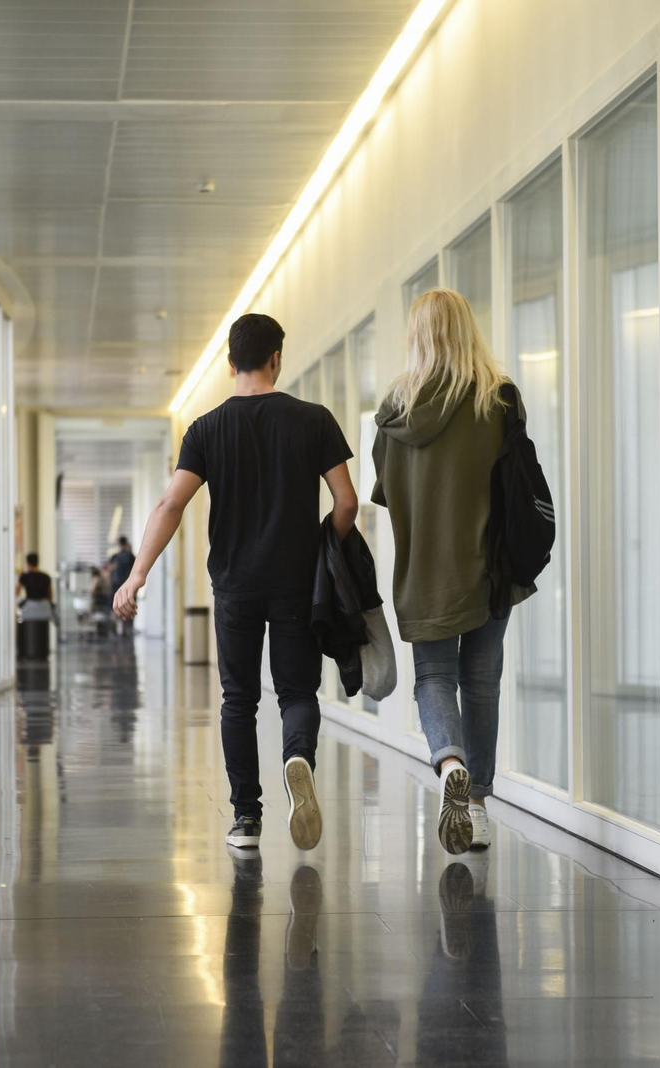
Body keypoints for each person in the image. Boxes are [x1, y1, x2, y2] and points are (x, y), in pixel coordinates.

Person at [114, 312, 358, 851]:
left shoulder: (205, 429)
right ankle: (298, 755)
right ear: (276, 359)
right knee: (297, 690)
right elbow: (346, 503)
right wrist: (325, 546)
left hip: (235, 586)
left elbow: (170, 504)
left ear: (229, 364)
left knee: (238, 699)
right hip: (297, 584)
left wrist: (136, 575)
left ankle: (246, 818)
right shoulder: (314, 420)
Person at [371, 288, 535, 855]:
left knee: (435, 679)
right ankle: (479, 807)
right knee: (481, 682)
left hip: (423, 572)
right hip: (490, 567)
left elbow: (386, 493)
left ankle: (450, 766)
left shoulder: (394, 411)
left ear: (415, 335)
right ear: (469, 329)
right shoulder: (499, 398)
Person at [108, 537, 137, 637]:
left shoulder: (115, 557)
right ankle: (125, 630)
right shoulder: (130, 556)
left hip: (115, 585)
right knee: (127, 607)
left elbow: (109, 570)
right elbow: (135, 571)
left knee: (114, 608)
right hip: (127, 585)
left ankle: (114, 630)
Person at [18, 553, 54, 621]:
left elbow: (17, 591)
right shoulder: (46, 577)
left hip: (29, 611)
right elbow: (51, 595)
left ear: (28, 563)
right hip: (44, 610)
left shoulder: (25, 576)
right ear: (37, 562)